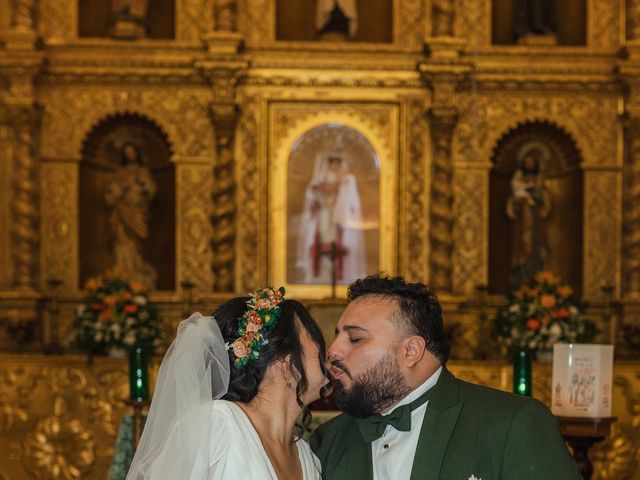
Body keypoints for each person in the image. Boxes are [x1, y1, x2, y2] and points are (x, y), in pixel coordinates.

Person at [311, 274, 582, 479]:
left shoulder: (512, 424)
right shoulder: (327, 441)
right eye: (336, 336)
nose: (333, 350)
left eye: (356, 338)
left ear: (412, 350)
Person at [126, 287, 331, 479]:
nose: (328, 351)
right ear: (284, 361)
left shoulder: (305, 455)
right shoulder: (217, 423)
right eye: (314, 338)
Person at [296, 154, 366, 285]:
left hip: (340, 224)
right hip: (323, 219)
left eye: (336, 163)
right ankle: (320, 279)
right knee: (321, 248)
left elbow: (352, 204)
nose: (333, 166)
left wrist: (338, 188)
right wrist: (317, 193)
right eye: (331, 163)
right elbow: (312, 199)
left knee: (339, 249)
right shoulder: (318, 178)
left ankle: (342, 279)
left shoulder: (348, 180)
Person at [106, 143, 157, 287]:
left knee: (137, 244)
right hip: (121, 212)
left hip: (138, 213)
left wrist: (141, 184)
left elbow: (151, 191)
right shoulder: (119, 173)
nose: (130, 155)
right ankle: (123, 273)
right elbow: (110, 196)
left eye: (132, 152)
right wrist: (122, 187)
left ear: (137, 153)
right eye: (127, 152)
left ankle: (138, 271)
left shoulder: (143, 172)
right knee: (122, 242)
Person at [506, 143, 551, 283]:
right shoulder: (518, 179)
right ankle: (521, 278)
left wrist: (535, 195)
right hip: (521, 224)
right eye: (526, 162)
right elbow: (512, 204)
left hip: (536, 222)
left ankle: (536, 278)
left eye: (531, 162)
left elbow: (545, 201)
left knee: (535, 249)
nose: (529, 164)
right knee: (523, 247)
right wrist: (518, 202)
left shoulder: (539, 181)